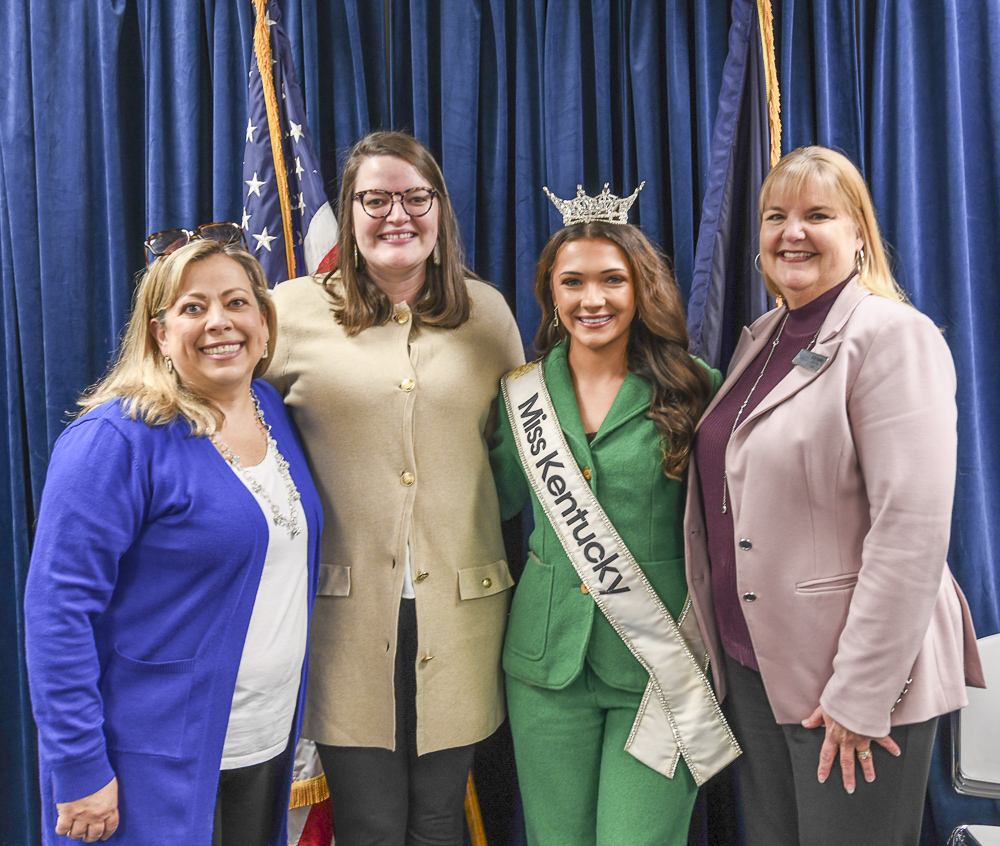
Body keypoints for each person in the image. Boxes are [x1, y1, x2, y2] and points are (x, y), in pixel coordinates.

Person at [685, 146, 985, 846]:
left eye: (818, 215)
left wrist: (861, 693)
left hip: (847, 685)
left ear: (859, 234)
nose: (793, 232)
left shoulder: (890, 337)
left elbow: (910, 530)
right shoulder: (763, 337)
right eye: (775, 216)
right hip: (760, 668)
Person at [265, 130, 524, 846]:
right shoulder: (288, 311)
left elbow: (517, 461)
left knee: (439, 817)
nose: (397, 215)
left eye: (415, 197)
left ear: (440, 210)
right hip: (342, 615)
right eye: (375, 199)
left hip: (465, 610)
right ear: (349, 214)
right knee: (371, 821)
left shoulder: (488, 314)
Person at [24, 233, 323, 846]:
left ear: (265, 323)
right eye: (193, 307)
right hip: (151, 760)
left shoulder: (270, 406)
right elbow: (56, 615)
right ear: (159, 333)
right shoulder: (115, 440)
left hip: (261, 743)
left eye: (237, 302)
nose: (219, 322)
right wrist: (78, 769)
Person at [489, 184, 740, 846]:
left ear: (641, 288)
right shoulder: (520, 396)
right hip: (547, 668)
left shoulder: (696, 387)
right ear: (549, 293)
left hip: (661, 666)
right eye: (572, 282)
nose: (591, 299)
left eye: (611, 280)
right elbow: (495, 503)